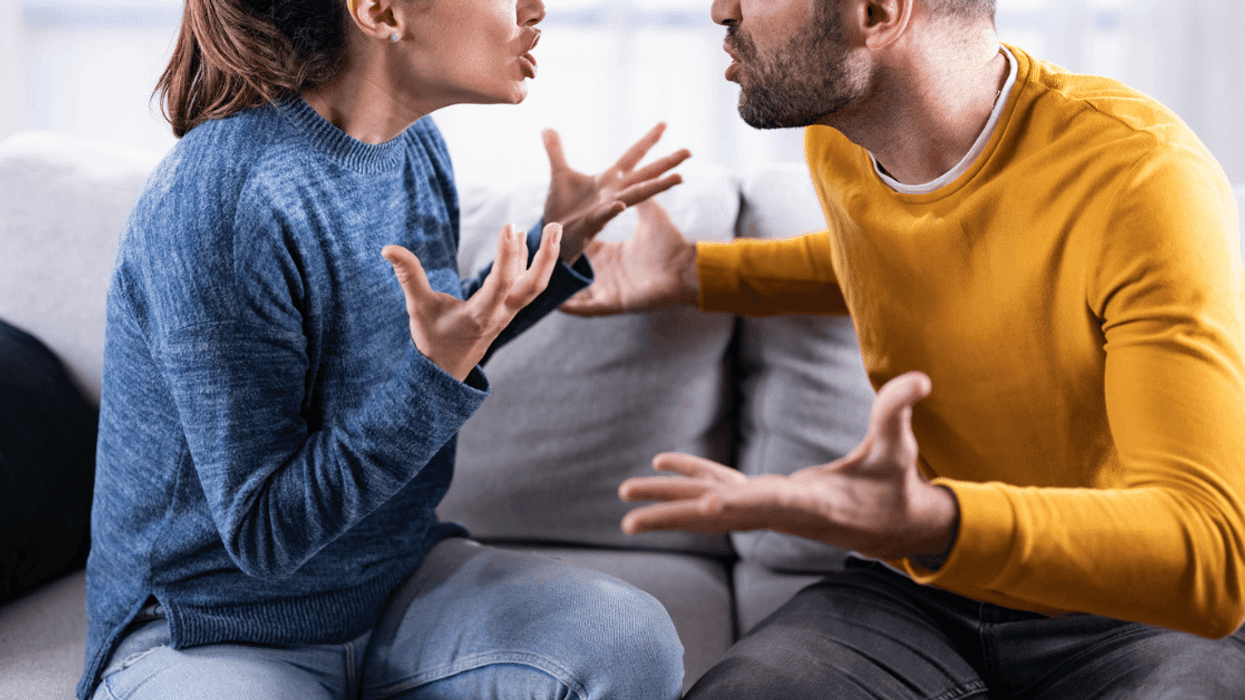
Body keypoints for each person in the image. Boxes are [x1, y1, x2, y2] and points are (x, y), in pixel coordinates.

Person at [562, 0, 1245, 697]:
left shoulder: (1139, 176)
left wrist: (936, 521)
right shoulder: (842, 142)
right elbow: (899, 256)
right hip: (920, 592)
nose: (720, 10)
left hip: (1128, 606)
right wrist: (696, 274)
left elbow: (1209, 552)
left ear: (878, 12)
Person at [77, 0, 694, 697]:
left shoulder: (415, 147)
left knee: (630, 645)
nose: (535, 8)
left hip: (392, 581)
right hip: (212, 625)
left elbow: (430, 346)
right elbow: (263, 535)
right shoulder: (226, 200)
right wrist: (436, 375)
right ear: (379, 11)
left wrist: (552, 249)